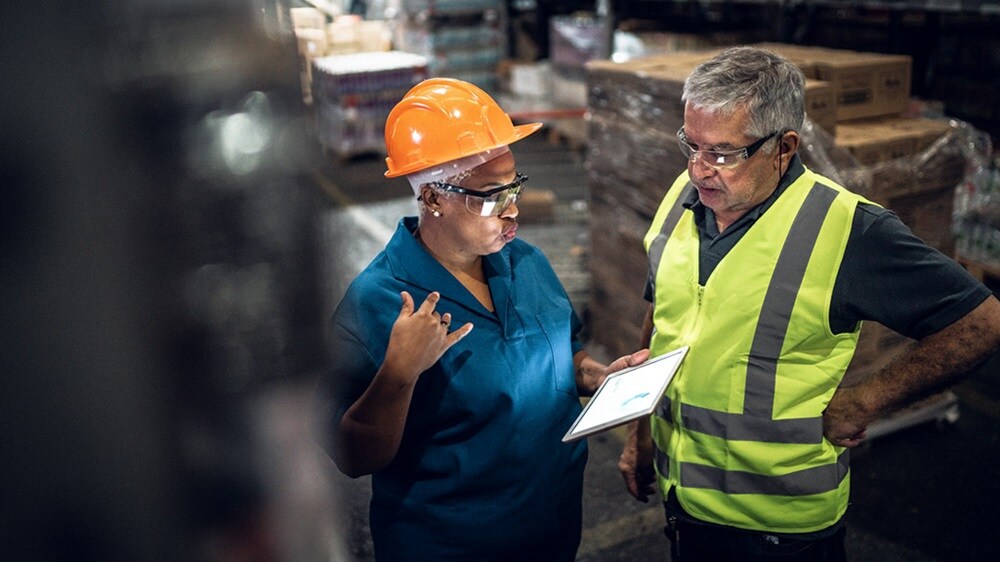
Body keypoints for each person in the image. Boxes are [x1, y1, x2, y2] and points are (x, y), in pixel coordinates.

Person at [617, 46, 1000, 561]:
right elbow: (661, 313)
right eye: (692, 144)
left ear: (785, 146)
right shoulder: (684, 198)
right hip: (683, 500)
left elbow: (982, 323)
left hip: (779, 529)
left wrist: (866, 401)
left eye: (723, 153)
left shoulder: (848, 230)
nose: (699, 169)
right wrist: (639, 434)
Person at [323, 77, 647, 561]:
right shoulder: (379, 301)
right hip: (452, 546)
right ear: (433, 198)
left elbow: (560, 350)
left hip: (553, 529)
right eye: (492, 196)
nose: (512, 210)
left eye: (514, 186)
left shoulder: (525, 262)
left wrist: (597, 376)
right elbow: (351, 456)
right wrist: (398, 374)